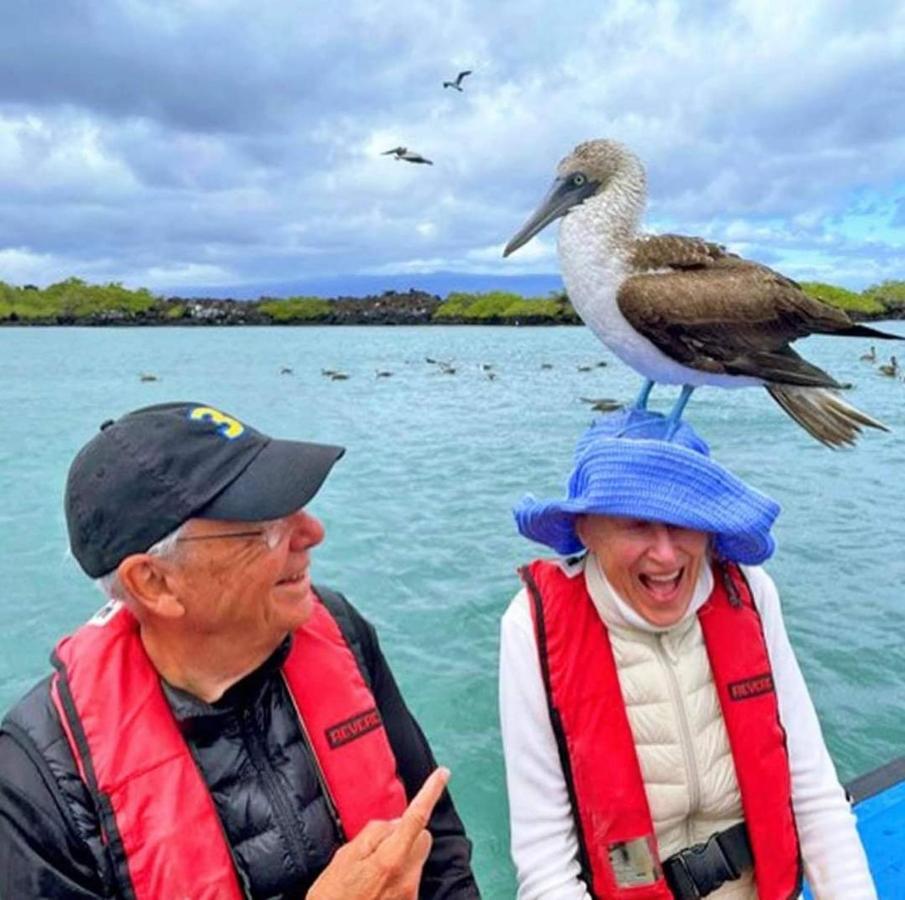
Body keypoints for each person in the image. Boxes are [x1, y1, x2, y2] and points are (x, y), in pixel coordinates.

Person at [0, 401, 479, 899]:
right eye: (266, 525)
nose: (313, 533)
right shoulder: (41, 783)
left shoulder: (341, 631)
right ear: (154, 582)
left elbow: (436, 845)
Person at [499, 408, 875, 899]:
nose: (666, 555)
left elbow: (814, 795)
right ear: (586, 528)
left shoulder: (751, 594)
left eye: (683, 522)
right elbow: (547, 864)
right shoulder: (530, 627)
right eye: (636, 524)